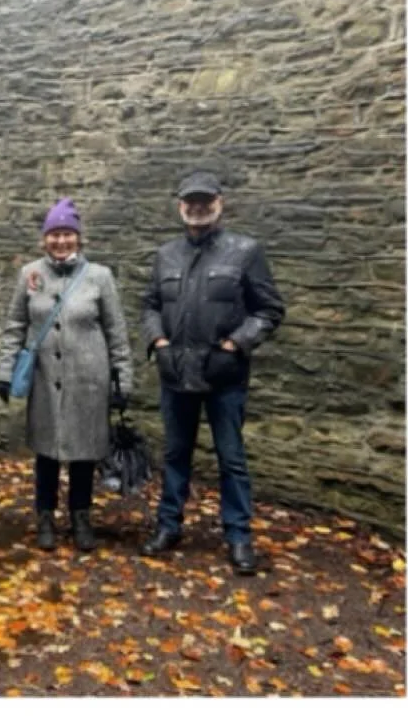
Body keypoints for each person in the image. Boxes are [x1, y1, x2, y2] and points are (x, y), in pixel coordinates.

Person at [139, 171, 286, 575]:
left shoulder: (245, 251)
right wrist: (158, 343)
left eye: (205, 201)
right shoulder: (165, 254)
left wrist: (236, 344)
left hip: (224, 378)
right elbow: (150, 304)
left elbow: (269, 310)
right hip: (175, 374)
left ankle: (238, 536)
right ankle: (169, 526)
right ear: (180, 206)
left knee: (231, 458)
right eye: (191, 201)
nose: (198, 208)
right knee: (174, 456)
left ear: (220, 203)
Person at [0, 197, 133, 552]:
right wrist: (4, 370)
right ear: (45, 239)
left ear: (78, 238)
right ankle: (45, 517)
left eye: (67, 234)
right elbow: (14, 325)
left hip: (90, 379)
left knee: (84, 453)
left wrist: (123, 379)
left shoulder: (100, 277)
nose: (60, 241)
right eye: (54, 234)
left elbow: (117, 332)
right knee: (46, 453)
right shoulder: (30, 274)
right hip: (44, 379)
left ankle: (81, 517)